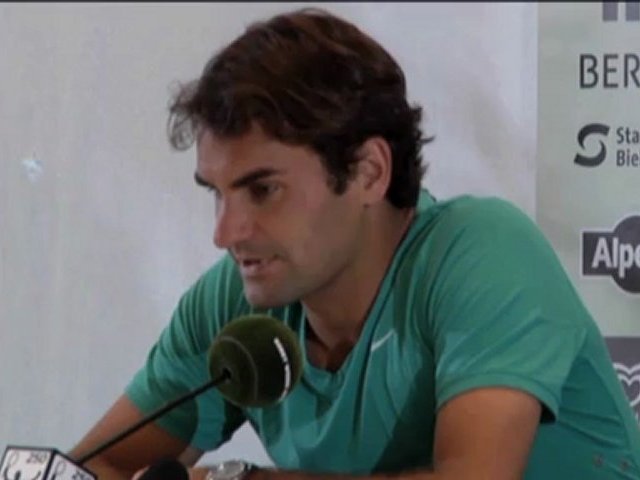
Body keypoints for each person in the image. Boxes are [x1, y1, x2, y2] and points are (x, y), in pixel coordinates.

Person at [69, 7, 640, 480]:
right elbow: (95, 466)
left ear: (369, 172)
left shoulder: (482, 252)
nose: (225, 233)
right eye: (217, 194)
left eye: (263, 190)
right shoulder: (234, 304)